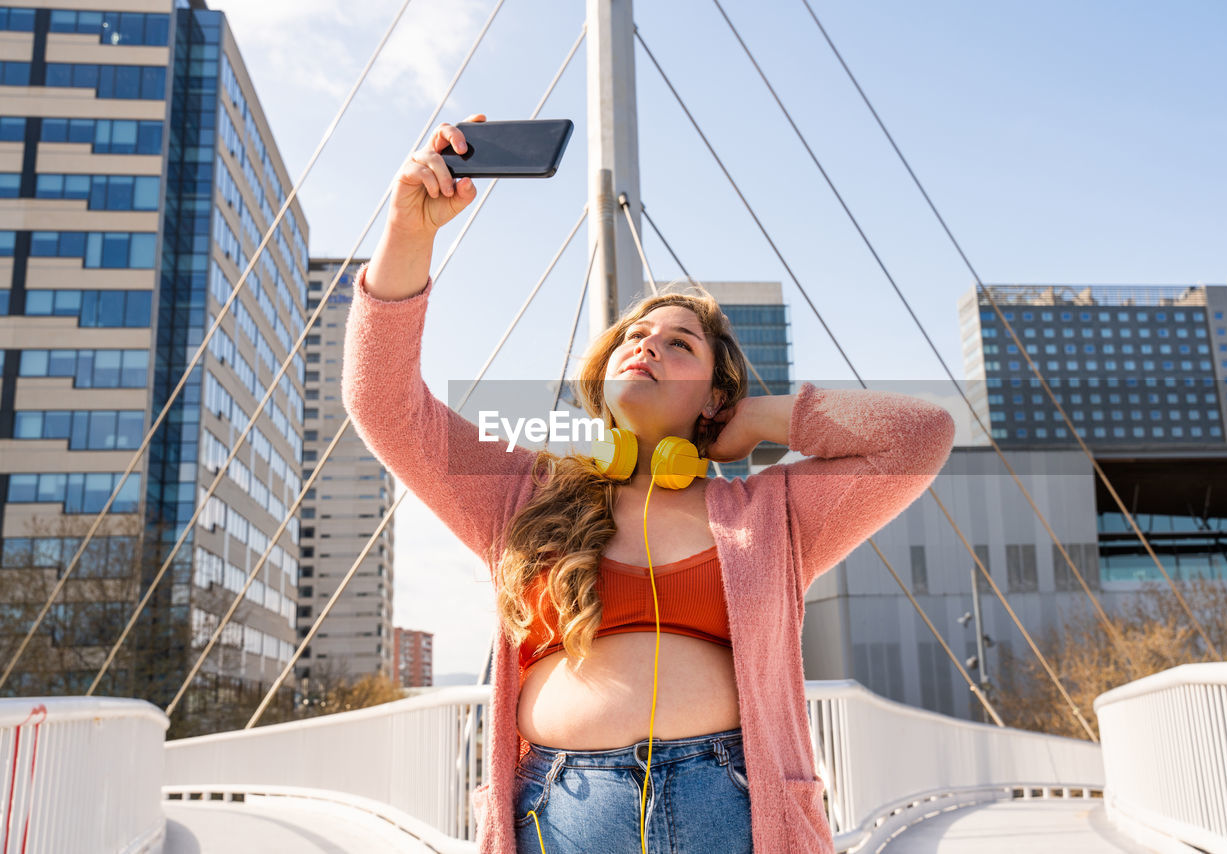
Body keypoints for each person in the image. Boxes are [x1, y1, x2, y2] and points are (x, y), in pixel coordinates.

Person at [342, 115, 956, 854]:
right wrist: (411, 228)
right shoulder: (522, 492)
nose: (648, 346)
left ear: (712, 396)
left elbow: (921, 436)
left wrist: (759, 416)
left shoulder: (770, 513)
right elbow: (383, 405)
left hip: (733, 811)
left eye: (680, 344)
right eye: (634, 337)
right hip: (560, 813)